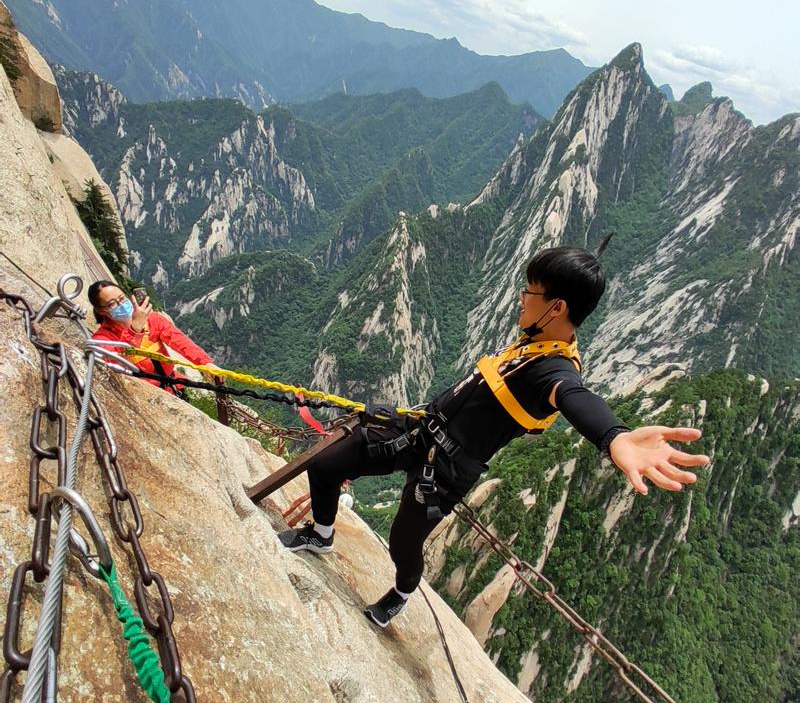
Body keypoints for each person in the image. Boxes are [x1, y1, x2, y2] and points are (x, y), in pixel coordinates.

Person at [279, 246, 711, 628]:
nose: (521, 299)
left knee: (403, 542)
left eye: (530, 292)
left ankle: (404, 591)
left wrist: (615, 437)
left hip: (445, 472)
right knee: (326, 464)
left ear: (556, 307)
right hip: (419, 430)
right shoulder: (536, 340)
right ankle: (321, 535)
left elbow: (576, 398)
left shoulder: (554, 371)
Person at [88, 280, 223, 393]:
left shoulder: (151, 319)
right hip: (143, 395)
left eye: (122, 298)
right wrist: (134, 330)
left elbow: (180, 341)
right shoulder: (102, 339)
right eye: (112, 303)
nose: (121, 305)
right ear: (101, 310)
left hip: (173, 386)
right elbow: (114, 361)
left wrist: (205, 363)